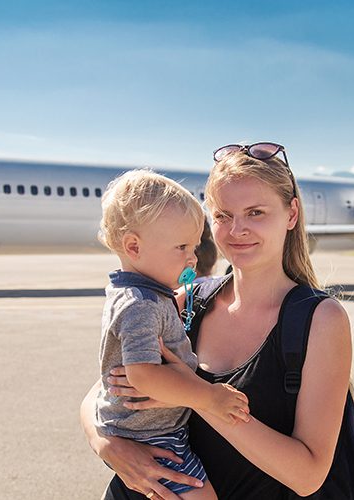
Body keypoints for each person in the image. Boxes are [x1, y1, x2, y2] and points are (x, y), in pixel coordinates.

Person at [81, 143, 353, 499]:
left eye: (255, 212)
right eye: (223, 215)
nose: (236, 229)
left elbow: (308, 476)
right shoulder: (186, 301)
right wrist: (108, 446)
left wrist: (201, 399)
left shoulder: (320, 320)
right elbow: (101, 392)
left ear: (291, 214)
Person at [93, 169, 252, 500]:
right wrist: (210, 398)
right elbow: (142, 376)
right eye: (181, 247)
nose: (193, 258)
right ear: (133, 247)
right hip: (151, 436)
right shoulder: (142, 304)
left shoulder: (145, 293)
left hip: (149, 428)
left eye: (194, 246)